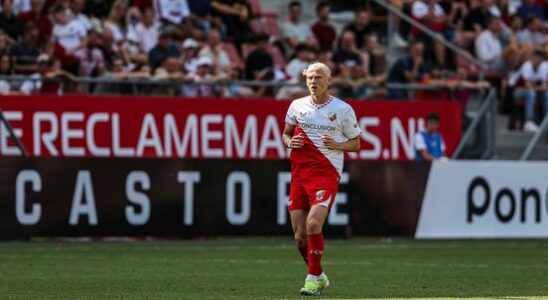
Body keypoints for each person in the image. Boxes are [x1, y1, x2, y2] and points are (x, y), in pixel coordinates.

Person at [281, 62, 361, 296]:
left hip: (325, 174)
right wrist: (289, 142)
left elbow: (356, 143)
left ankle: (311, 280)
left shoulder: (342, 109)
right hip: (299, 175)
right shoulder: (296, 105)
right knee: (299, 237)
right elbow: (286, 133)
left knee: (313, 223)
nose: (313, 82)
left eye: (318, 77)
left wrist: (337, 145)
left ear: (329, 80)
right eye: (310, 78)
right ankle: (319, 275)